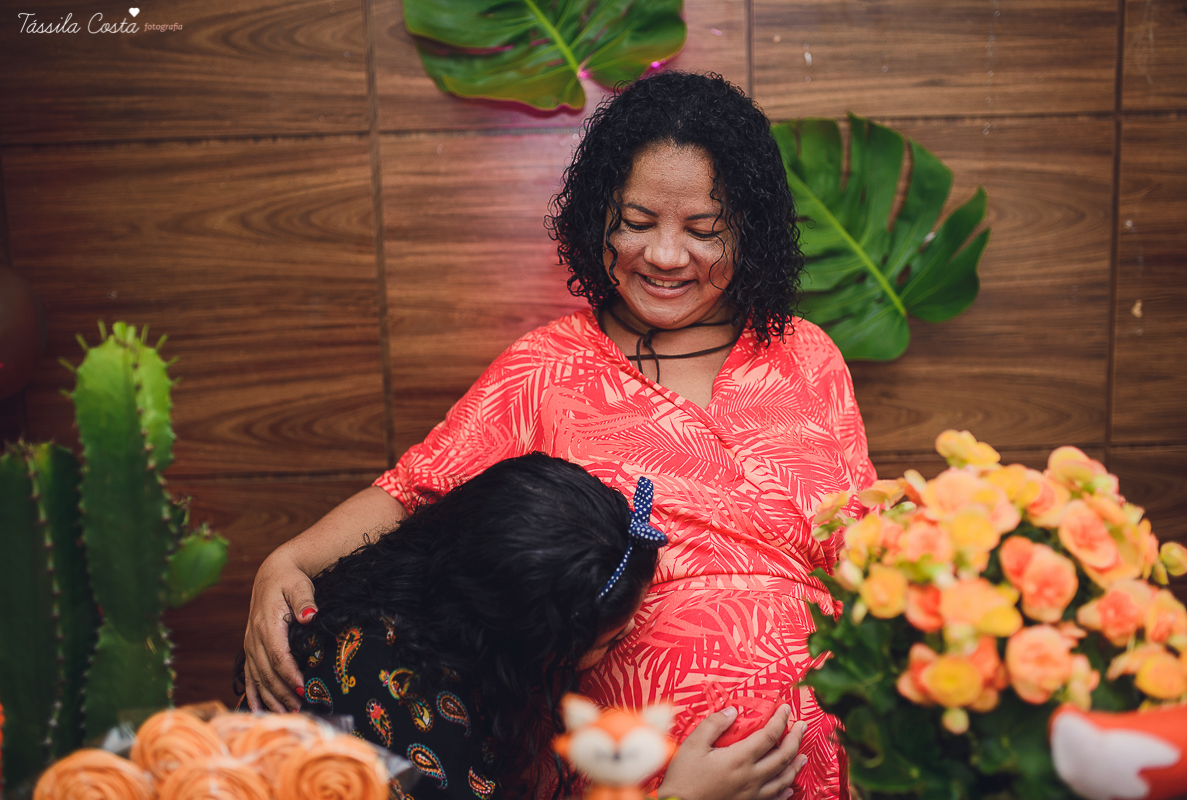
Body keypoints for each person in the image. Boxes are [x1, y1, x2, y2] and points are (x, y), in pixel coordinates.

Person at [244, 71, 875, 800]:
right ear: (597, 216)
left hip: (841, 761)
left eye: (704, 230)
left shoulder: (806, 354)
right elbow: (416, 492)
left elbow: (861, 541)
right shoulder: (546, 368)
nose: (667, 256)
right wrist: (285, 561)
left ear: (750, 231)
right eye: (638, 221)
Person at [289, 453, 805, 800]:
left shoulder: (413, 593)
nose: (627, 642)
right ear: (522, 641)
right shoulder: (416, 727)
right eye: (610, 642)